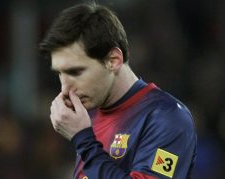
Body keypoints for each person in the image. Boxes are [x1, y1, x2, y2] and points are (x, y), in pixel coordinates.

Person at [40, 2, 197, 179]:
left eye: (76, 72)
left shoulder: (167, 118)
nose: (65, 89)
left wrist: (84, 140)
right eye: (60, 73)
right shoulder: (87, 117)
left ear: (113, 60)